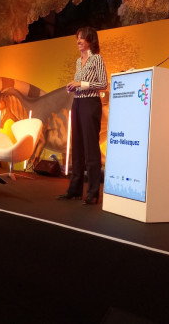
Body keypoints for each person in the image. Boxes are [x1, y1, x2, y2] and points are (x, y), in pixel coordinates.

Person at [58, 26, 108, 205]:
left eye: (82, 38)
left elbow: (103, 83)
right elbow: (80, 83)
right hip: (78, 102)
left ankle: (93, 193)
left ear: (90, 40)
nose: (78, 41)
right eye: (77, 38)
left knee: (91, 148)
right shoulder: (79, 61)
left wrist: (81, 83)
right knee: (77, 146)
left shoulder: (97, 59)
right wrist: (73, 86)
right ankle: (75, 190)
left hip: (90, 103)